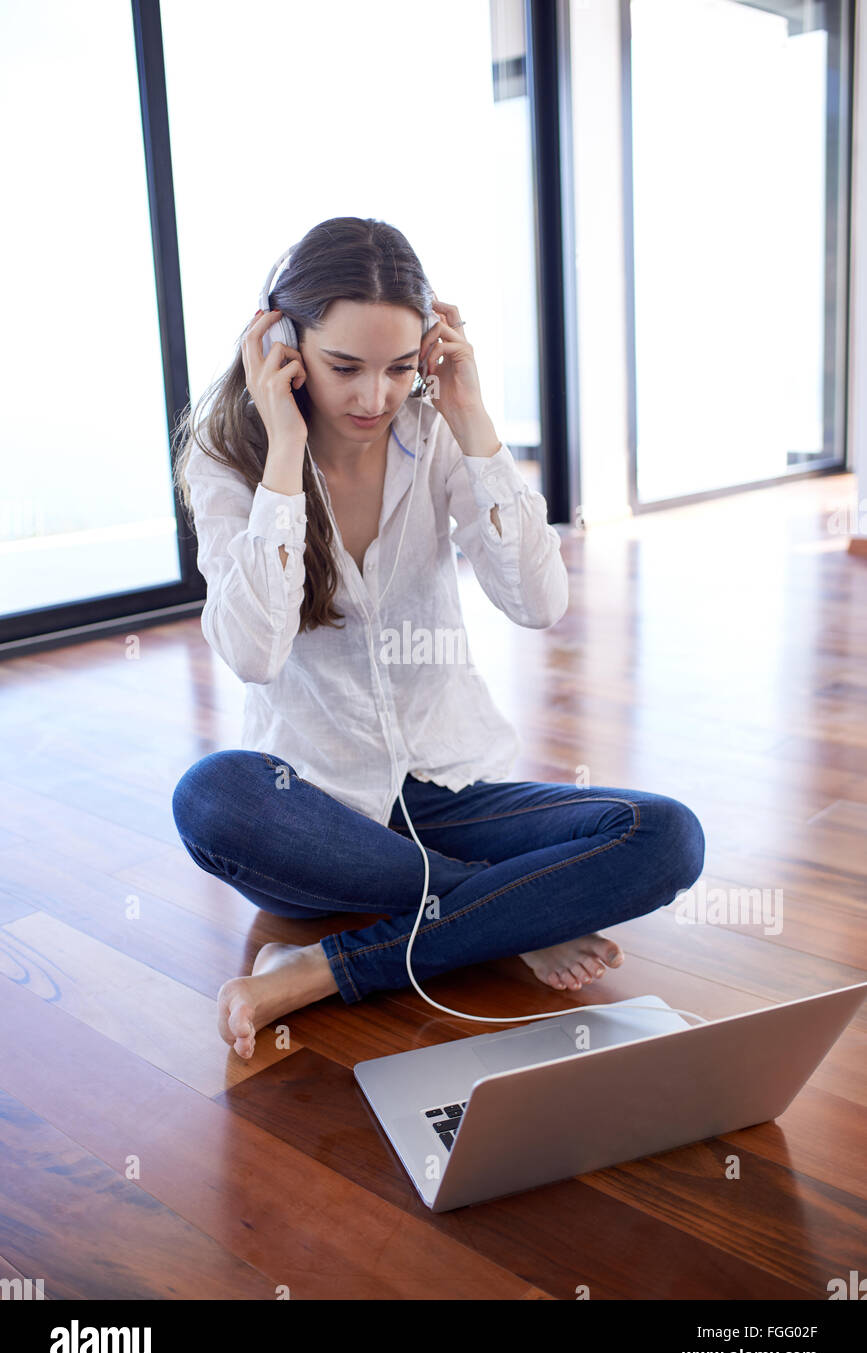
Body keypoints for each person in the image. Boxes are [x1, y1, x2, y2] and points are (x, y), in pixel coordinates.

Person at [170, 216, 705, 1059]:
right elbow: (252, 654)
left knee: (666, 836)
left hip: (453, 788)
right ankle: (503, 916)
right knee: (210, 797)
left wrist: (471, 412)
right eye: (344, 366)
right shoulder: (227, 457)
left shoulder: (435, 433)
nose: (375, 398)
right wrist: (282, 456)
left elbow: (538, 602)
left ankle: (325, 967)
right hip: (316, 808)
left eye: (400, 368)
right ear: (281, 342)